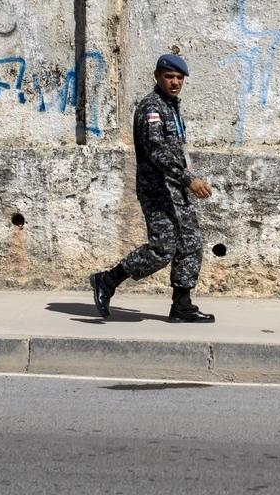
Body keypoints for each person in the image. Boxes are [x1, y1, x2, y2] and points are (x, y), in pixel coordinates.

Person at [90, 53, 215, 323]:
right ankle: (107, 280)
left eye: (179, 78)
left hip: (176, 189)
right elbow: (157, 151)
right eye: (169, 77)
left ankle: (182, 306)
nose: (175, 82)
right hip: (157, 191)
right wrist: (188, 179)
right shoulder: (152, 108)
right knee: (162, 249)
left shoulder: (171, 106)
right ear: (157, 76)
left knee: (191, 243)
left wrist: (186, 179)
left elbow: (176, 151)